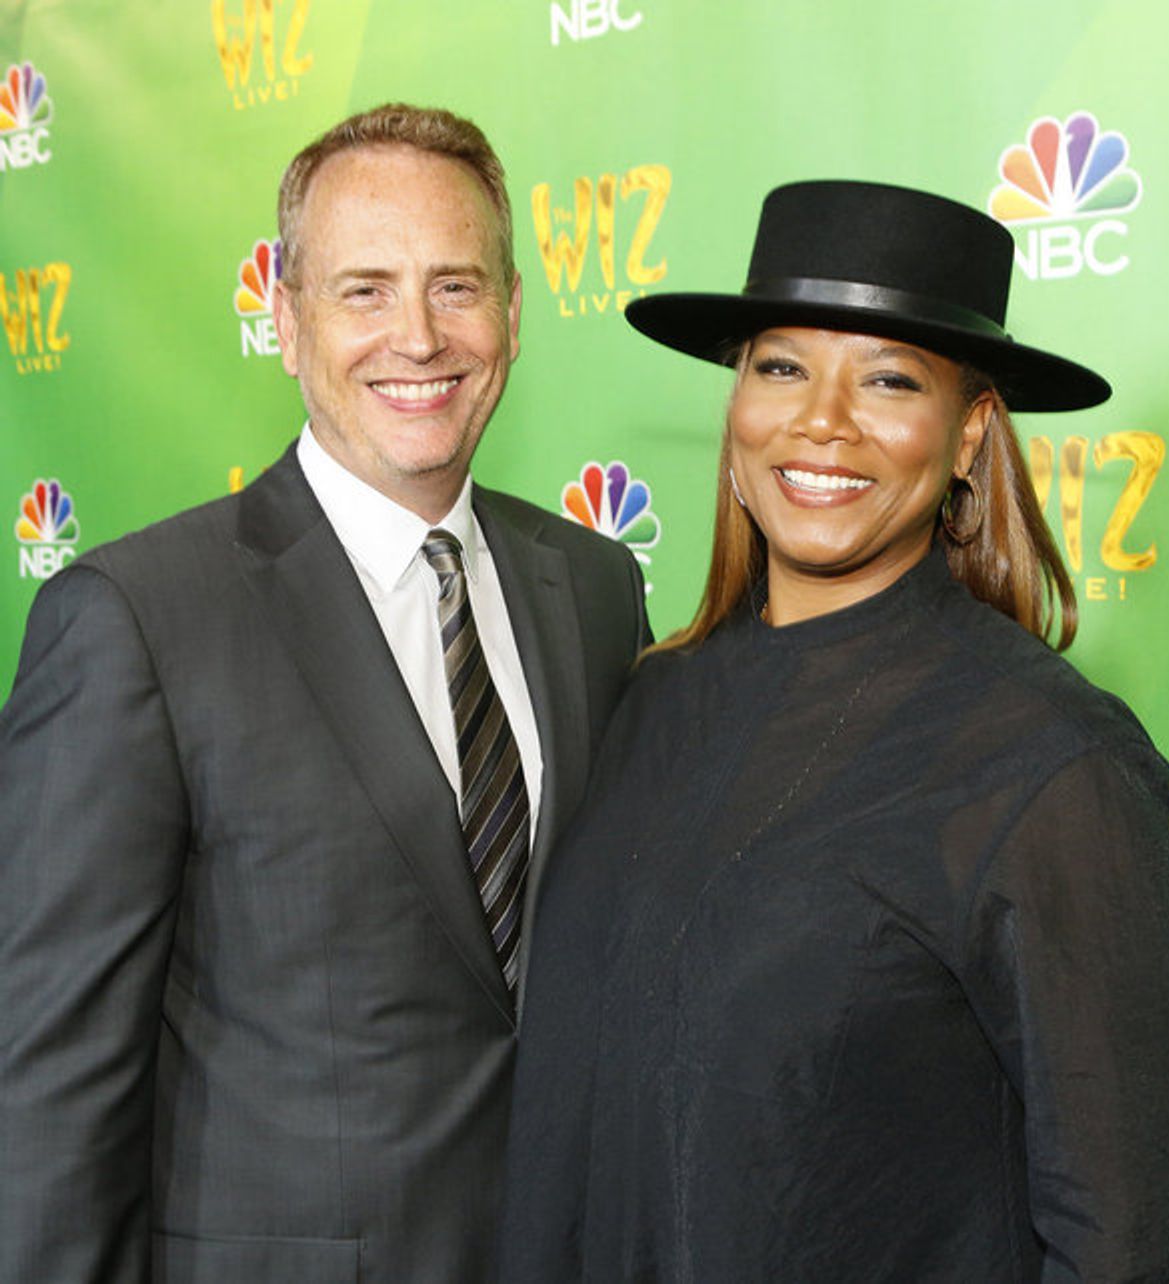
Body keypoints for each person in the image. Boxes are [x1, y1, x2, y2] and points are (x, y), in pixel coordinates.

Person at [497, 181, 1169, 1282]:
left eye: (887, 380)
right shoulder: (651, 704)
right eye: (781, 366)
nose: (821, 420)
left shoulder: (1054, 764)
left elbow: (1134, 1238)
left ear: (969, 436)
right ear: (737, 406)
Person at [0, 103, 649, 1283]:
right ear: (287, 325)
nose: (417, 335)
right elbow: (45, 1090)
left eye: (457, 285)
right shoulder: (137, 618)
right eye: (363, 291)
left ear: (512, 311)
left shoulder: (597, 588)